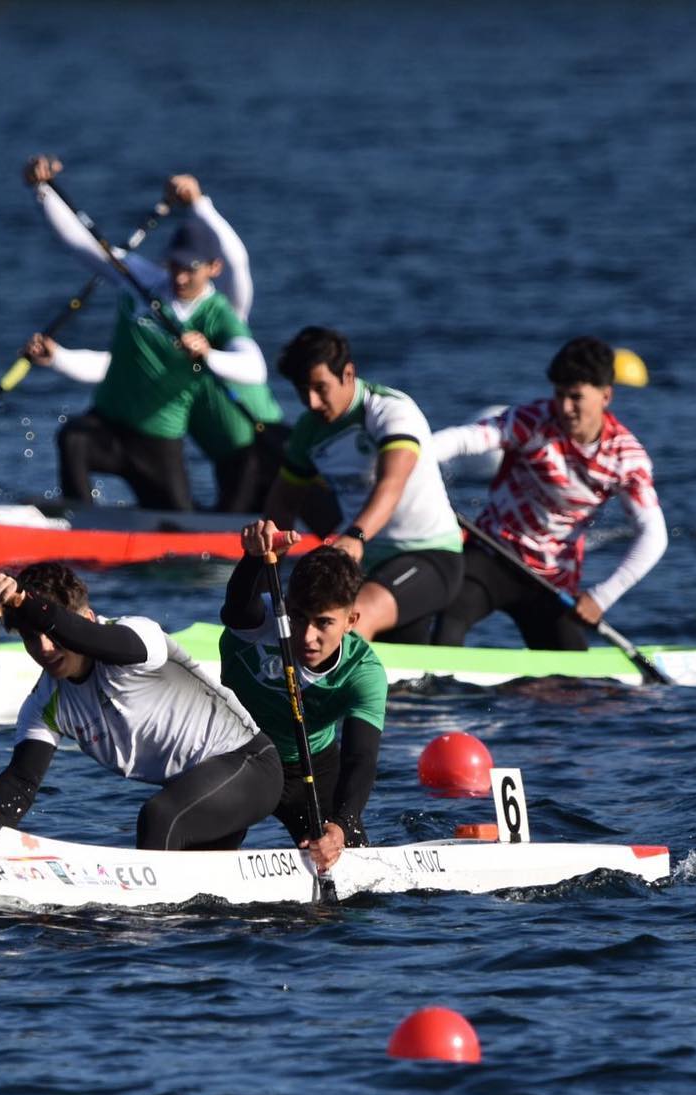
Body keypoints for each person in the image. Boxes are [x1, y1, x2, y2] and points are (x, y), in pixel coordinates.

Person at [0, 562, 282, 857]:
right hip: (196, 793)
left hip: (249, 767)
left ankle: (146, 923)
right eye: (31, 638)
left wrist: (26, 602)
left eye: (51, 633)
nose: (44, 648)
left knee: (158, 816)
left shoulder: (136, 636)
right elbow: (21, 781)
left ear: (88, 617)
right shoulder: (45, 703)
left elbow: (86, 636)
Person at [20, 157, 280, 513]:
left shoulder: (220, 314)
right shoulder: (141, 281)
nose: (180, 277)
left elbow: (255, 368)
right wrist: (43, 191)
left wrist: (208, 355)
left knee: (179, 522)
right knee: (73, 437)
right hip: (108, 424)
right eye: (174, 264)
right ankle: (75, 520)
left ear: (211, 268)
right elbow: (84, 245)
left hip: (159, 440)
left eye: (190, 268)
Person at [430, 335, 667, 649]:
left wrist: (600, 597)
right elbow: (464, 439)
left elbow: (654, 535)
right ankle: (435, 692)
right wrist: (406, 456)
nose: (564, 408)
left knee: (571, 684)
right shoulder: (533, 421)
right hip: (491, 555)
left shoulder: (626, 457)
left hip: (550, 581)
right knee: (449, 617)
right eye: (558, 395)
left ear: (605, 396)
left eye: (575, 397)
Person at [264, 326, 463, 643]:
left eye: (320, 387)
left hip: (429, 556)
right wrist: (266, 566)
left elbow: (391, 484)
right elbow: (284, 503)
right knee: (303, 618)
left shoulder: (392, 411)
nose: (312, 402)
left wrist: (355, 535)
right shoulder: (308, 430)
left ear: (348, 373)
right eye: (303, 390)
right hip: (365, 563)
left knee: (347, 623)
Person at [219, 521, 388, 873]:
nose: (307, 637)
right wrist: (253, 558)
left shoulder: (364, 673)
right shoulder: (261, 620)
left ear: (351, 621)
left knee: (349, 872)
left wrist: (341, 827)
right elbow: (236, 605)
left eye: (324, 623)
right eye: (298, 618)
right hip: (235, 757)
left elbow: (361, 758)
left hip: (309, 766)